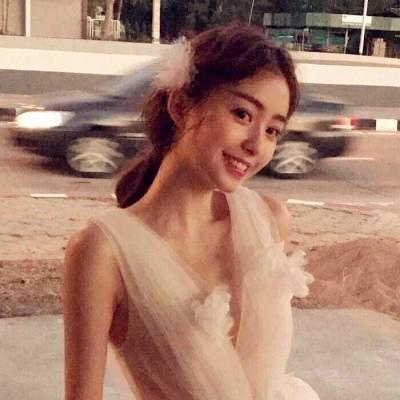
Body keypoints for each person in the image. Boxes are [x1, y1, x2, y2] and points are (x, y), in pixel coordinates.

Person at [63, 24, 319, 400]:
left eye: (273, 131)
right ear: (181, 106)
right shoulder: (101, 252)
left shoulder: (269, 220)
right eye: (243, 114)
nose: (256, 145)